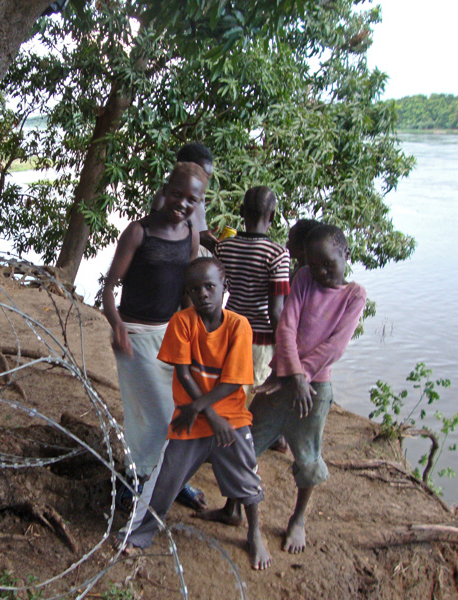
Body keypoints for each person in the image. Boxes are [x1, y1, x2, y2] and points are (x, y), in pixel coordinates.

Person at [213, 224, 366, 554]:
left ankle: (297, 519)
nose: (322, 271)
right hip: (280, 381)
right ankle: (233, 507)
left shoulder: (354, 295)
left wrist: (301, 376)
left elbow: (335, 347)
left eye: (329, 264)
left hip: (314, 392)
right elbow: (287, 325)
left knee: (307, 457)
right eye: (314, 264)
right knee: (245, 443)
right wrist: (290, 374)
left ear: (346, 256)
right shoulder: (303, 279)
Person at [118, 258, 271, 571]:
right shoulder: (183, 322)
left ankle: (255, 533)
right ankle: (141, 533)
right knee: (167, 478)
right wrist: (206, 415)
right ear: (186, 292)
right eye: (194, 289)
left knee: (246, 473)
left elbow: (232, 382)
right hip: (192, 415)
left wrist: (204, 411)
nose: (203, 294)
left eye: (210, 286)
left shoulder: (238, 325)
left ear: (224, 287)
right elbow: (184, 374)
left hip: (226, 416)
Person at [103, 162, 207, 515]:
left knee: (177, 411)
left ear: (200, 201)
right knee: (157, 416)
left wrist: (194, 334)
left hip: (170, 334)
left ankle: (164, 478)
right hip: (134, 335)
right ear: (165, 190)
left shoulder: (192, 234)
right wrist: (115, 323)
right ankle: (135, 478)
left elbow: (187, 291)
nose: (182, 203)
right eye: (177, 194)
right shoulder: (138, 233)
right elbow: (109, 287)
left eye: (192, 198)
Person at [213, 186, 290, 391]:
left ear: (241, 211)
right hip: (261, 340)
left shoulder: (224, 247)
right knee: (251, 398)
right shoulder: (278, 254)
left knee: (226, 394)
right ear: (272, 215)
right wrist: (286, 350)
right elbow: (276, 311)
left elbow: (217, 296)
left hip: (229, 331)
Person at [150, 143, 218, 254]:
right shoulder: (165, 197)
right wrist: (198, 238)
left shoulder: (199, 197)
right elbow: (154, 238)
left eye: (207, 178)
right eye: (201, 175)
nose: (204, 183)